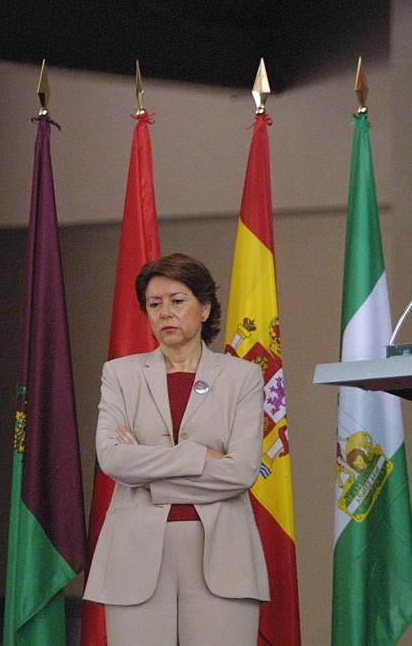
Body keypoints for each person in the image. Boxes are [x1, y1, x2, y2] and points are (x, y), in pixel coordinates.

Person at [84, 253, 269, 645]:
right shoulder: (120, 374)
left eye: (177, 300)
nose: (165, 312)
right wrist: (200, 456)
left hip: (223, 555)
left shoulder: (243, 376)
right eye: (155, 304)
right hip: (134, 556)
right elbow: (114, 458)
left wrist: (149, 476)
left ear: (204, 308)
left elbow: (241, 471)